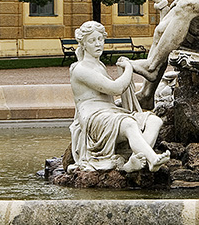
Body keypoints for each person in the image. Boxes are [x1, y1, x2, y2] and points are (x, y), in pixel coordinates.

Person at [68, 20, 170, 173]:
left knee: (154, 120)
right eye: (92, 41)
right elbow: (116, 88)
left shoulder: (99, 66)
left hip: (111, 112)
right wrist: (129, 67)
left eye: (100, 39)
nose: (97, 44)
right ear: (83, 44)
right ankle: (152, 158)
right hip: (93, 117)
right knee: (129, 123)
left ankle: (134, 160)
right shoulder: (80, 69)